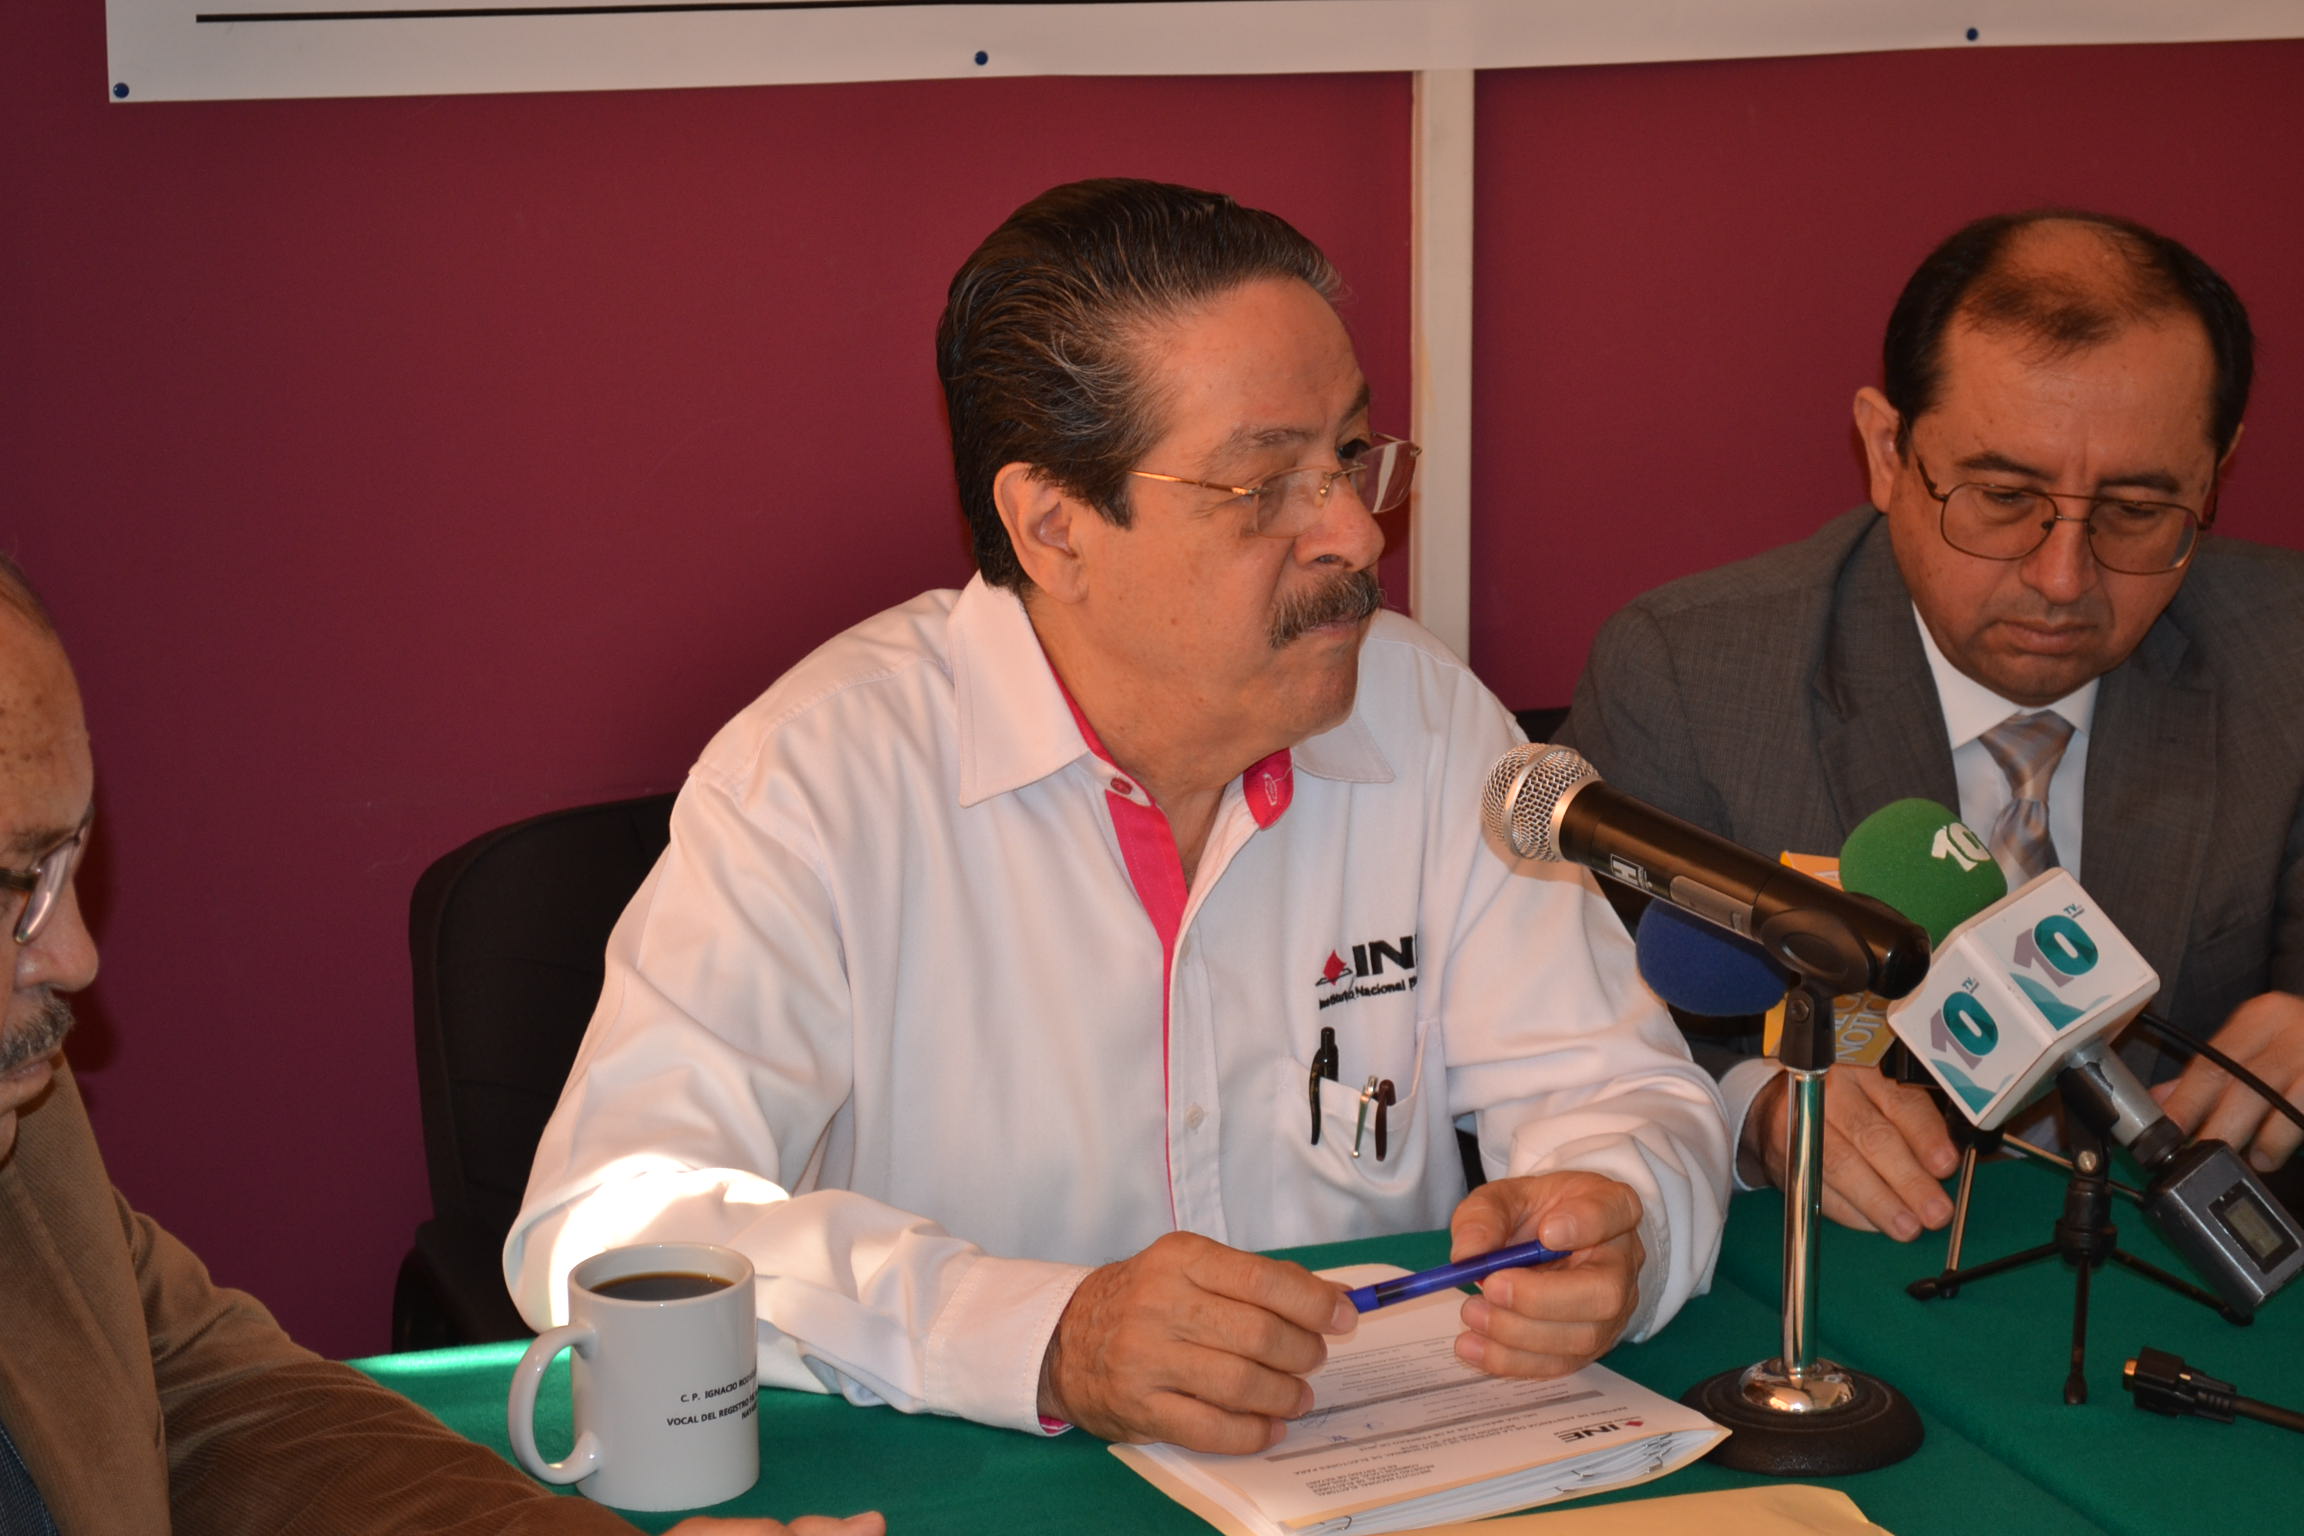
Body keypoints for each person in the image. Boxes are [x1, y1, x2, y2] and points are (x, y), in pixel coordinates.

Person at [507, 178, 1732, 1456]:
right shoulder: (817, 779)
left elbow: (1623, 1092)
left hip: (1380, 1470)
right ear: (1054, 527)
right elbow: (602, 1228)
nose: (1355, 533)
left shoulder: (1428, 722)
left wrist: (1621, 1216)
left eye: (1350, 455)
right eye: (1266, 484)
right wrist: (1045, 1334)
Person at [0, 558, 881, 1535]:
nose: (74, 957)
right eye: (13, 886)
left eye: (66, 860)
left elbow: (218, 1405)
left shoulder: (30, 1132)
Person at [1562, 209, 2304, 1242]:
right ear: (1886, 449)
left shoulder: (2284, 658)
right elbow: (1588, 1046)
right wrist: (1760, 1107)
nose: (2062, 578)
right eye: (2002, 496)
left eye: (2136, 511)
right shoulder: (1692, 680)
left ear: (2216, 472)